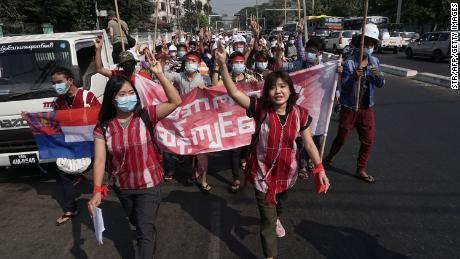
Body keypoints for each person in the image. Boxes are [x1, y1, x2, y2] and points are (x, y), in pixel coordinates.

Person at [215, 42, 330, 259]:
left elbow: (308, 144)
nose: (278, 91)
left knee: (279, 206)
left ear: (290, 89)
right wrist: (222, 65)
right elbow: (233, 93)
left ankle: (277, 215)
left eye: (283, 86)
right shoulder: (259, 108)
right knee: (267, 221)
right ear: (267, 91)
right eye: (273, 87)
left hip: (288, 174)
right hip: (262, 175)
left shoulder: (300, 114)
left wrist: (320, 168)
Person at [87, 54, 182, 259]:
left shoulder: (147, 116)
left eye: (131, 93)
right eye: (122, 94)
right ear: (112, 98)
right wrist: (96, 190)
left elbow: (175, 101)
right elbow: (100, 159)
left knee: (143, 231)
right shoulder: (103, 128)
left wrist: (160, 74)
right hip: (123, 187)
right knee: (139, 223)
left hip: (150, 184)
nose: (128, 97)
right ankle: (147, 236)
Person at [324, 23, 385, 184]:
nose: (368, 47)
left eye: (372, 44)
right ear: (359, 44)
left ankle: (360, 169)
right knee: (342, 138)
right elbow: (344, 87)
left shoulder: (375, 62)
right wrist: (354, 78)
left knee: (368, 140)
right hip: (349, 108)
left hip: (366, 108)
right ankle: (330, 156)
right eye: (366, 43)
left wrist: (378, 76)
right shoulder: (350, 63)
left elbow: (380, 84)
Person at [52, 66, 100, 226]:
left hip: (91, 145)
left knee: (103, 168)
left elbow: (100, 119)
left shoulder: (88, 97)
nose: (56, 86)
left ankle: (100, 197)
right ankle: (70, 208)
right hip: (71, 146)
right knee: (64, 174)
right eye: (54, 83)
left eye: (59, 82)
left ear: (70, 81)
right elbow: (55, 124)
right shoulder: (58, 102)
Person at [165, 51, 213, 191]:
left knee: (202, 152)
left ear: (198, 64)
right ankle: (194, 172)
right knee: (191, 152)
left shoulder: (204, 78)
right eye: (188, 60)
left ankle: (203, 180)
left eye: (193, 61)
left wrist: (206, 90)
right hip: (185, 121)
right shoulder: (179, 77)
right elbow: (164, 76)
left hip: (201, 121)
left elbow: (213, 94)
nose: (190, 63)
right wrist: (163, 60)